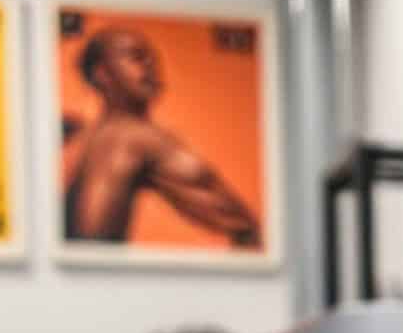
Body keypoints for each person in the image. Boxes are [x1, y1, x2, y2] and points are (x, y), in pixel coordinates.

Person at [63, 27, 261, 246]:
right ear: (102, 73)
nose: (150, 65)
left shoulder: (84, 135)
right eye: (136, 56)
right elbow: (244, 226)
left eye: (152, 58)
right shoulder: (133, 136)